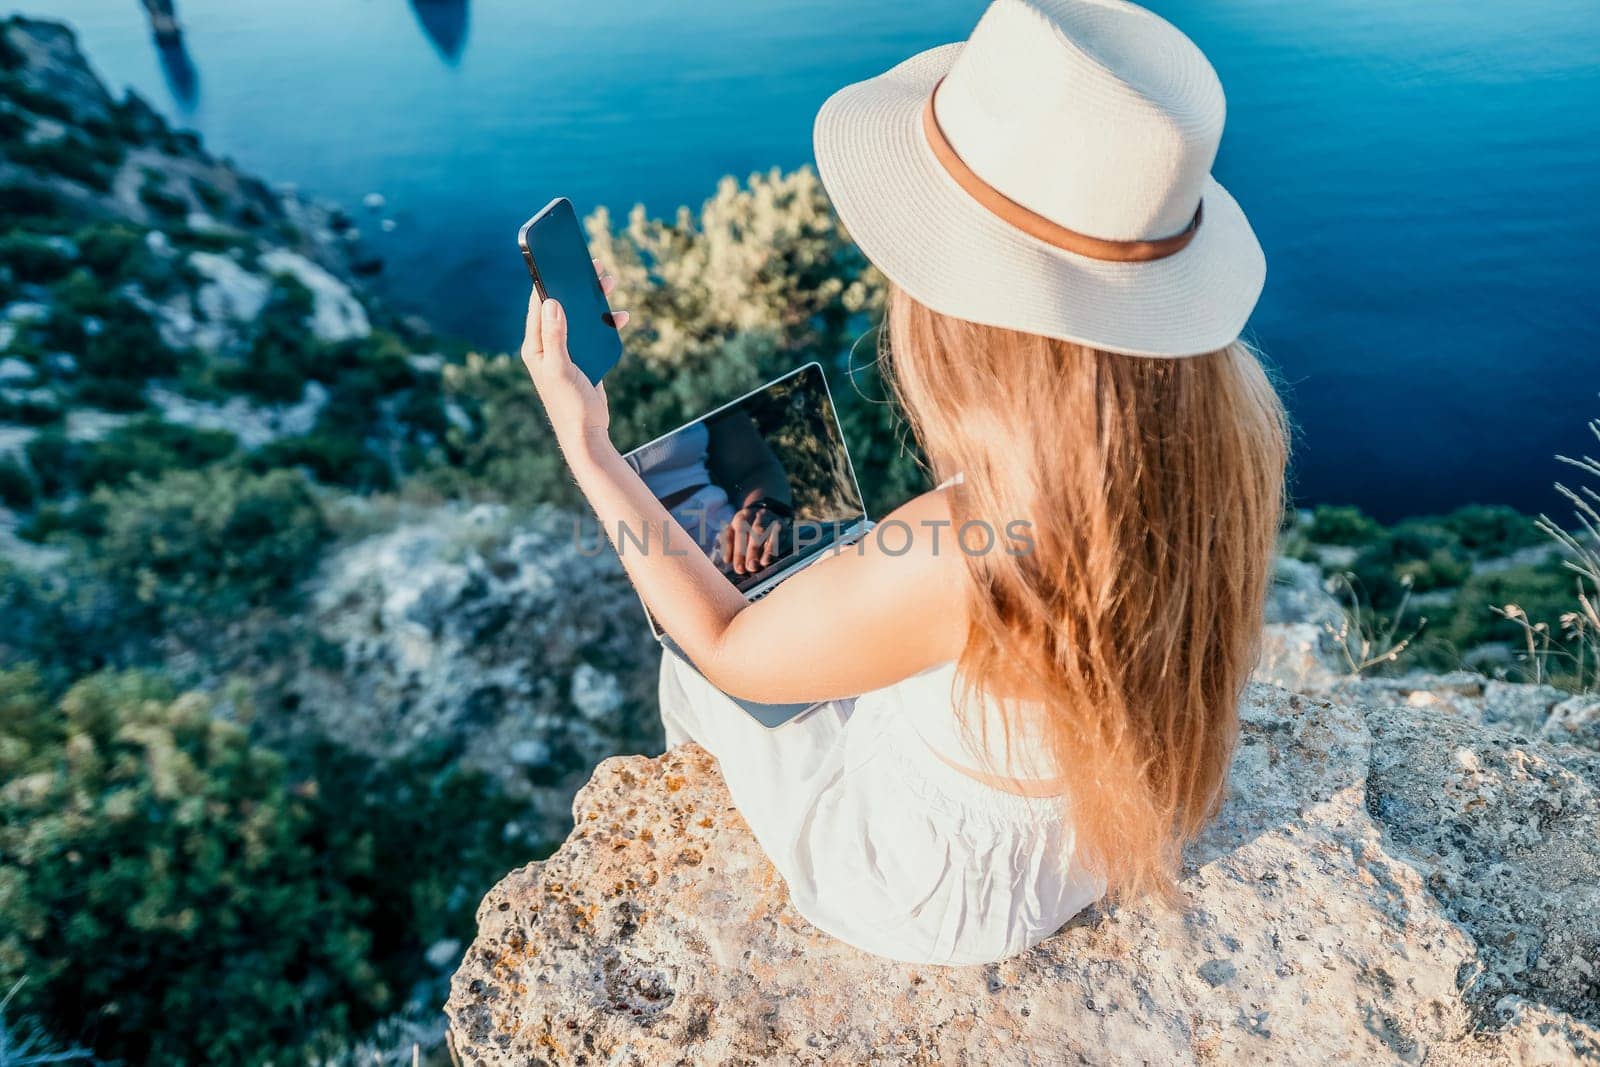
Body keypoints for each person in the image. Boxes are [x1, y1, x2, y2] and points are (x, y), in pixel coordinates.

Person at [520, 0, 1288, 965]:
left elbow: (725, 646)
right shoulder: (1229, 425)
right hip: (1097, 824)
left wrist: (588, 446)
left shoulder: (987, 537)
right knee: (806, 572)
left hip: (935, 887)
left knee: (697, 661)